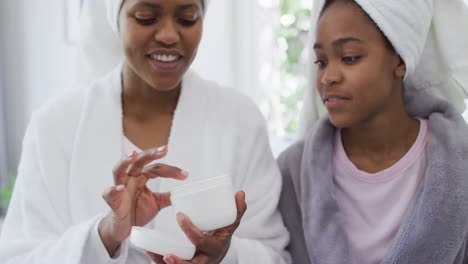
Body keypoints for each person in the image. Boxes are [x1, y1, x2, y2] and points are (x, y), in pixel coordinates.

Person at [0, 0, 291, 263]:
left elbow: (273, 255)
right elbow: (19, 257)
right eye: (146, 17)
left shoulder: (240, 120)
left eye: (187, 18)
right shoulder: (54, 127)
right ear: (117, 18)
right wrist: (106, 234)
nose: (168, 34)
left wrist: (225, 256)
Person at [278, 0, 468, 263]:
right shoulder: (292, 172)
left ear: (399, 61)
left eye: (349, 58)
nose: (327, 77)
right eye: (321, 61)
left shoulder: (461, 166)